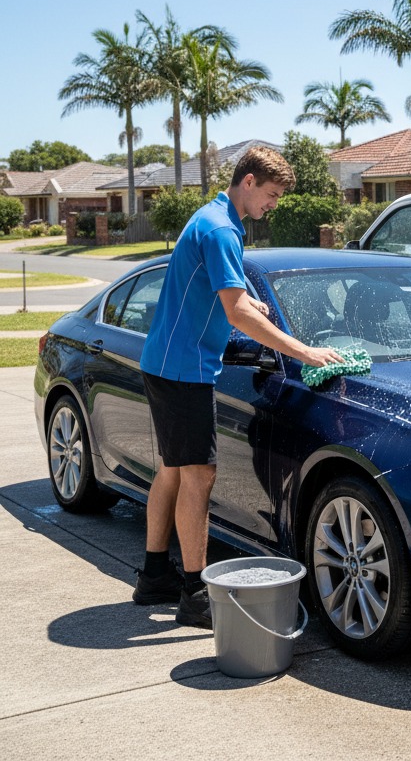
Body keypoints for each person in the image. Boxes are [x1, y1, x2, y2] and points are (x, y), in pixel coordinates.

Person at [131, 145, 342, 626]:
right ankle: (193, 595)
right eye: (270, 194)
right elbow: (234, 310)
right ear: (248, 182)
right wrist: (304, 352)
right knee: (198, 476)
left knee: (172, 470)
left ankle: (153, 576)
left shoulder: (213, 218)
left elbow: (223, 296)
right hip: (183, 370)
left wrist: (247, 306)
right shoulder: (223, 229)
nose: (273, 204)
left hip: (165, 361)